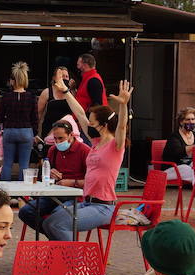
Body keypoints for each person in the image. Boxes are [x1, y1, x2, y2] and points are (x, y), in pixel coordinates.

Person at [39, 77, 131, 241]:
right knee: (48, 222)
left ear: (103, 124)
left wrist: (123, 105)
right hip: (86, 202)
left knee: (57, 224)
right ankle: (62, 259)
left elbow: (122, 126)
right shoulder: (96, 142)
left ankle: (76, 263)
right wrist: (66, 92)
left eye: (92, 122)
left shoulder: (115, 146)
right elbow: (80, 113)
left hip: (103, 206)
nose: (88, 124)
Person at [18, 121, 88, 234]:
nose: (58, 142)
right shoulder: (53, 150)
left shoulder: (84, 151)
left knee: (57, 215)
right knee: (26, 211)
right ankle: (54, 235)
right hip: (55, 194)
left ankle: (55, 236)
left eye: (61, 138)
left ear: (71, 135)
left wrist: (72, 182)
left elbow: (92, 181)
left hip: (75, 197)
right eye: (55, 139)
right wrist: (50, 174)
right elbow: (44, 177)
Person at [0, 62, 38, 181]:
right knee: (24, 165)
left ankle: (5, 192)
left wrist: (6, 122)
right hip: (26, 131)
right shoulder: (32, 97)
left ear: (12, 81)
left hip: (9, 131)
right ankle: (22, 196)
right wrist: (34, 133)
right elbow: (35, 118)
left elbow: (0, 117)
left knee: (7, 163)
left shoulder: (6, 97)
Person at [160, 107, 195, 185]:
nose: (190, 122)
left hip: (189, 167)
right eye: (187, 119)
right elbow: (178, 152)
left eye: (192, 119)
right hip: (172, 168)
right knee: (191, 171)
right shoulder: (174, 137)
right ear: (181, 122)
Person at [36, 65, 73, 138]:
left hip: (67, 132)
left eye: (66, 76)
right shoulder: (47, 92)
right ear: (55, 78)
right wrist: (36, 133)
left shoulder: (71, 93)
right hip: (49, 130)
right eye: (62, 76)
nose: (65, 79)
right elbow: (38, 114)